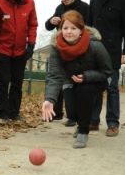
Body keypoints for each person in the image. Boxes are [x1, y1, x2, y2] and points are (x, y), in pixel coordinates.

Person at [42, 10, 112, 148]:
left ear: (81, 30)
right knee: (72, 114)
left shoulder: (95, 45)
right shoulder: (57, 47)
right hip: (70, 80)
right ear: (60, 29)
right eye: (65, 28)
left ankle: (83, 132)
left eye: (73, 28)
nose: (69, 31)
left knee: (84, 92)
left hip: (97, 79)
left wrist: (86, 77)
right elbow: (54, 75)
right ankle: (80, 122)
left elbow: (107, 71)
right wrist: (49, 99)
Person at [88, 0, 125, 136]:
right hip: (94, 49)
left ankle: (113, 123)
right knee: (94, 85)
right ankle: (93, 120)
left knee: (112, 87)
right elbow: (88, 25)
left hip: (113, 51)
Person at [0, 0, 38, 121]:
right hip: (2, 49)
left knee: (17, 83)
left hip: (20, 51)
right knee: (3, 82)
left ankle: (14, 112)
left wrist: (31, 44)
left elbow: (33, 25)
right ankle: (3, 113)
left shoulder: (30, 2)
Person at [45, 0, 90, 126]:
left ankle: (74, 116)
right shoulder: (59, 8)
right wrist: (51, 21)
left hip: (79, 48)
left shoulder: (84, 7)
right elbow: (48, 26)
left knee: (74, 82)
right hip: (62, 48)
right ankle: (55, 112)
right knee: (58, 78)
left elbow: (89, 26)